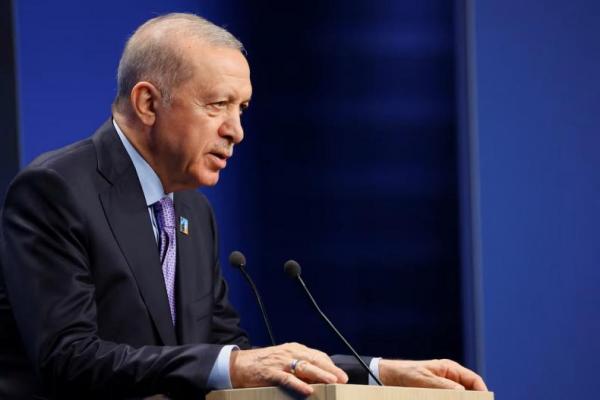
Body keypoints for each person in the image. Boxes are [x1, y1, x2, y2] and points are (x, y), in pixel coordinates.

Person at [0, 13, 487, 399]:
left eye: (242, 108)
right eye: (217, 105)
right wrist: (232, 365)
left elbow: (237, 359)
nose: (236, 130)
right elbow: (68, 358)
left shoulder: (193, 212)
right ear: (148, 103)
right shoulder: (56, 190)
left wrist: (375, 372)